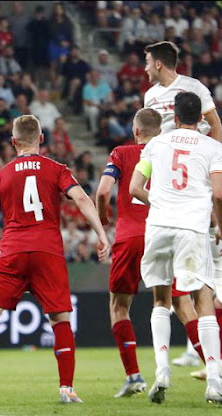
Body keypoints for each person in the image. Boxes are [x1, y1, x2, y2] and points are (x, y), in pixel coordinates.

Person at [0, 115, 110, 405]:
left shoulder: (1, 175)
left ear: (13, 141)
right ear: (41, 139)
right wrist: (101, 233)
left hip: (13, 250)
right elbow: (80, 198)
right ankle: (66, 388)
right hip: (48, 251)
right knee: (60, 319)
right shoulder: (56, 169)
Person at [96, 108, 208, 397]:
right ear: (160, 131)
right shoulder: (167, 151)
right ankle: (210, 365)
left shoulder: (121, 153)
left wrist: (104, 219)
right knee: (182, 303)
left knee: (119, 306)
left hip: (130, 236)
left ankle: (134, 376)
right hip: (165, 231)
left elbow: (102, 190)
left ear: (135, 131)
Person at [130, 91, 222, 404]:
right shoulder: (213, 147)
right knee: (203, 297)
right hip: (193, 229)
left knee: (160, 299)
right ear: (200, 116)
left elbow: (134, 188)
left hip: (158, 227)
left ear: (175, 114)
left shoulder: (156, 144)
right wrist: (219, 225)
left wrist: (158, 204)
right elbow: (219, 194)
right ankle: (214, 379)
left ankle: (162, 370)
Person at [143, 40, 222, 371]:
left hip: (196, 192)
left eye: (147, 62)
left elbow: (215, 126)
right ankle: (204, 354)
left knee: (205, 280)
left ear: (159, 63)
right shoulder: (149, 98)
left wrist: (211, 164)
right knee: (181, 287)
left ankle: (208, 357)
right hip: (169, 196)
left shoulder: (193, 88)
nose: (144, 67)